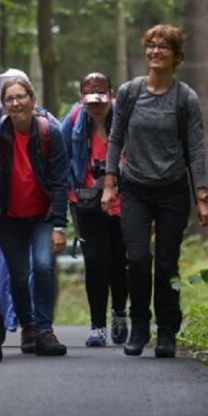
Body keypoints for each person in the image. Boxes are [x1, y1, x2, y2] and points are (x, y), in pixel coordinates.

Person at [101, 24, 208, 359]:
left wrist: (202, 198)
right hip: (134, 187)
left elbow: (196, 149)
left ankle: (166, 329)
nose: (156, 51)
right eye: (151, 45)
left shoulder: (185, 98)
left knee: (165, 263)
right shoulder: (130, 92)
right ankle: (139, 325)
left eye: (164, 46)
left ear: (177, 56)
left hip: (172, 191)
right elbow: (115, 138)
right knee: (136, 259)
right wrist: (109, 184)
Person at [0, 76, 70, 357]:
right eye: (9, 99)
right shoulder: (1, 131)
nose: (15, 103)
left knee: (43, 267)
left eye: (21, 96)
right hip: (8, 218)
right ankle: (29, 327)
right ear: (4, 104)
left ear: (33, 100)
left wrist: (60, 224)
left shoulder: (49, 132)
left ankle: (45, 330)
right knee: (19, 277)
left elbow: (60, 181)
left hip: (42, 217)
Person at [61, 72, 129, 348]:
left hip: (123, 201)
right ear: (81, 100)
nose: (95, 107)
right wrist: (70, 192)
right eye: (90, 101)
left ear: (111, 96)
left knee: (120, 261)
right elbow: (61, 155)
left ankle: (120, 313)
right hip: (86, 201)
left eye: (100, 100)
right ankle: (97, 325)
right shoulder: (74, 121)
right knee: (95, 261)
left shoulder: (124, 120)